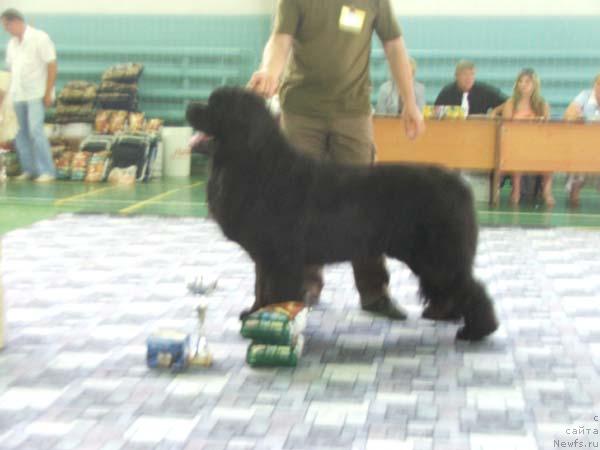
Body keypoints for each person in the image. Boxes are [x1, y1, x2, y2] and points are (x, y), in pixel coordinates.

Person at [247, 0, 425, 320]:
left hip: (353, 115)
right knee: (298, 204)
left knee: (366, 204)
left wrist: (409, 102)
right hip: (301, 113)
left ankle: (374, 292)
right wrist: (270, 72)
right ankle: (303, 286)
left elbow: (394, 45)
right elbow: (280, 39)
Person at [1, 8, 57, 182]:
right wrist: (5, 97)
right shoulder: (11, 45)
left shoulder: (40, 38)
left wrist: (48, 93)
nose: (6, 29)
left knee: (35, 130)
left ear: (17, 21)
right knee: (20, 134)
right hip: (18, 95)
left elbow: (52, 65)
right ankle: (29, 169)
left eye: (7, 25)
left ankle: (47, 171)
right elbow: (11, 71)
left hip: (37, 94)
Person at [501, 68, 553, 206]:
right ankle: (516, 190)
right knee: (518, 152)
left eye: (527, 82)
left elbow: (548, 129)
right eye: (520, 81)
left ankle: (547, 191)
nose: (523, 84)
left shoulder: (542, 104)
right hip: (515, 143)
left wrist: (538, 122)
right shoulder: (511, 103)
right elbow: (505, 128)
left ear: (534, 85)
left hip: (537, 144)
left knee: (550, 155)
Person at [563, 74, 600, 207]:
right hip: (583, 146)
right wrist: (575, 116)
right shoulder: (584, 96)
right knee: (579, 160)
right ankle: (574, 196)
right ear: (594, 85)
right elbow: (568, 115)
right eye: (598, 84)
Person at [435, 60, 507, 116]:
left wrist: (495, 112)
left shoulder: (484, 90)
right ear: (456, 76)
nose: (468, 78)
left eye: (472, 74)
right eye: (465, 74)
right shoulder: (447, 93)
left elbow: (510, 102)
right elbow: (435, 113)